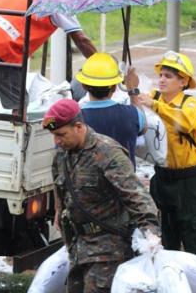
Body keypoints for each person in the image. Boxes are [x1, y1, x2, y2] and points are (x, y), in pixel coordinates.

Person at [44, 98, 158, 293]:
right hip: (78, 247)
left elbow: (135, 195)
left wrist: (150, 232)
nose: (57, 141)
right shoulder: (63, 154)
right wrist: (58, 210)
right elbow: (61, 187)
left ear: (78, 127)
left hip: (108, 249)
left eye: (61, 134)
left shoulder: (107, 153)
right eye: (54, 135)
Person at [136, 50, 196, 267]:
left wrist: (155, 106)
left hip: (189, 182)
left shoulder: (189, 103)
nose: (161, 79)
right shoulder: (153, 97)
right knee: (166, 237)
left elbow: (185, 122)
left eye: (168, 76)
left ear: (183, 81)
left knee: (194, 237)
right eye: (161, 75)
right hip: (163, 177)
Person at [76, 53, 146, 168]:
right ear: (114, 87)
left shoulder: (77, 120)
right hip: (124, 184)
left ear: (83, 85)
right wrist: (132, 89)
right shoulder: (133, 114)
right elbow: (143, 127)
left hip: (89, 185)